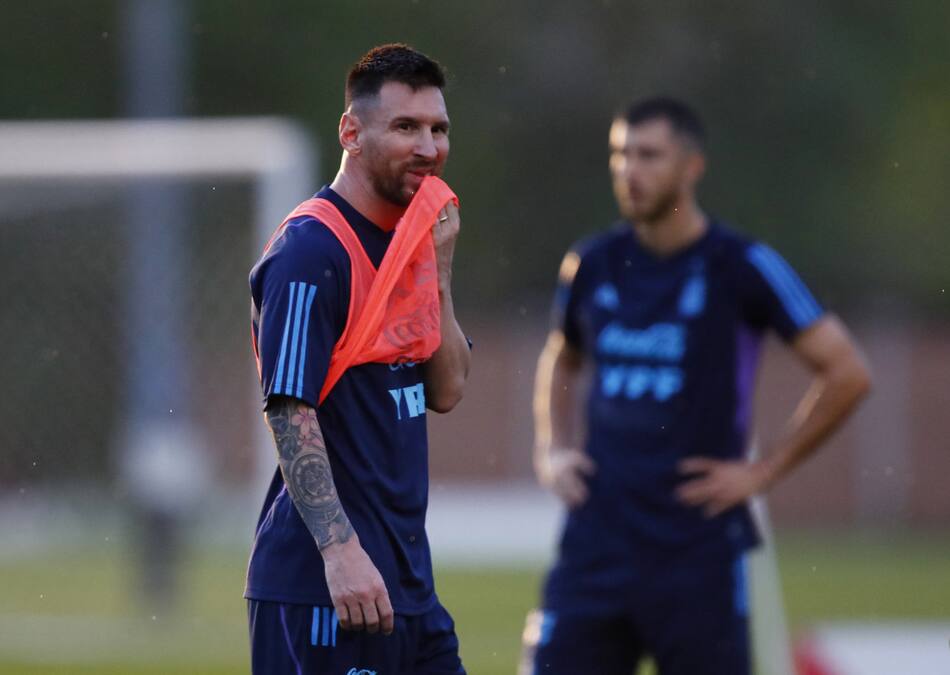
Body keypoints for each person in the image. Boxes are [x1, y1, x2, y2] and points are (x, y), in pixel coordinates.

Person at [523, 98, 872, 675]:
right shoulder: (592, 263)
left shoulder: (741, 266)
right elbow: (562, 357)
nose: (629, 171)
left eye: (649, 156)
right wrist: (551, 448)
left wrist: (764, 473)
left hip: (697, 553)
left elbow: (848, 372)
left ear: (691, 167)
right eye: (620, 155)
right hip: (595, 544)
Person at [246, 44, 471, 675]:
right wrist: (340, 551)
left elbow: (447, 389)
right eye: (406, 127)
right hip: (323, 588)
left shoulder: (413, 242)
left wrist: (440, 272)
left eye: (438, 129)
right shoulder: (311, 250)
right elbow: (289, 407)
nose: (428, 147)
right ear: (351, 131)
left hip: (409, 593)